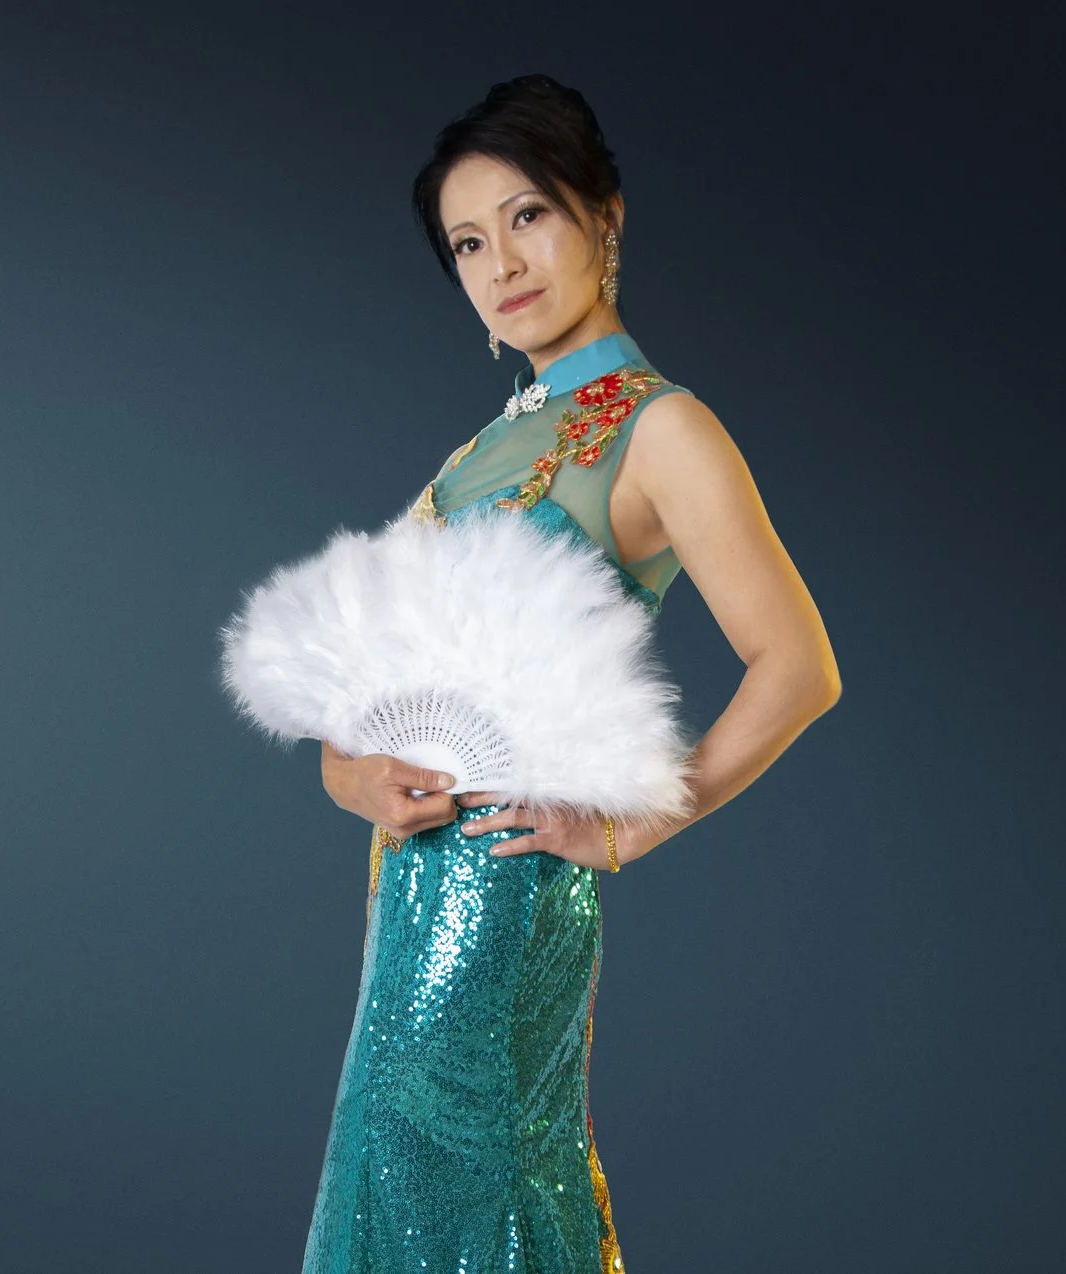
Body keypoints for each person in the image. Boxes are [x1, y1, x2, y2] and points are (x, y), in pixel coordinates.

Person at [302, 74, 842, 1272]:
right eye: (467, 242)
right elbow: (359, 672)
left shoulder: (663, 429)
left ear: (604, 214)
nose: (500, 262)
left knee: (485, 1182)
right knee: (391, 1170)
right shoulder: (479, 450)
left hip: (511, 887)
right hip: (409, 889)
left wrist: (629, 825)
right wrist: (349, 773)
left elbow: (798, 666)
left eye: (527, 216)